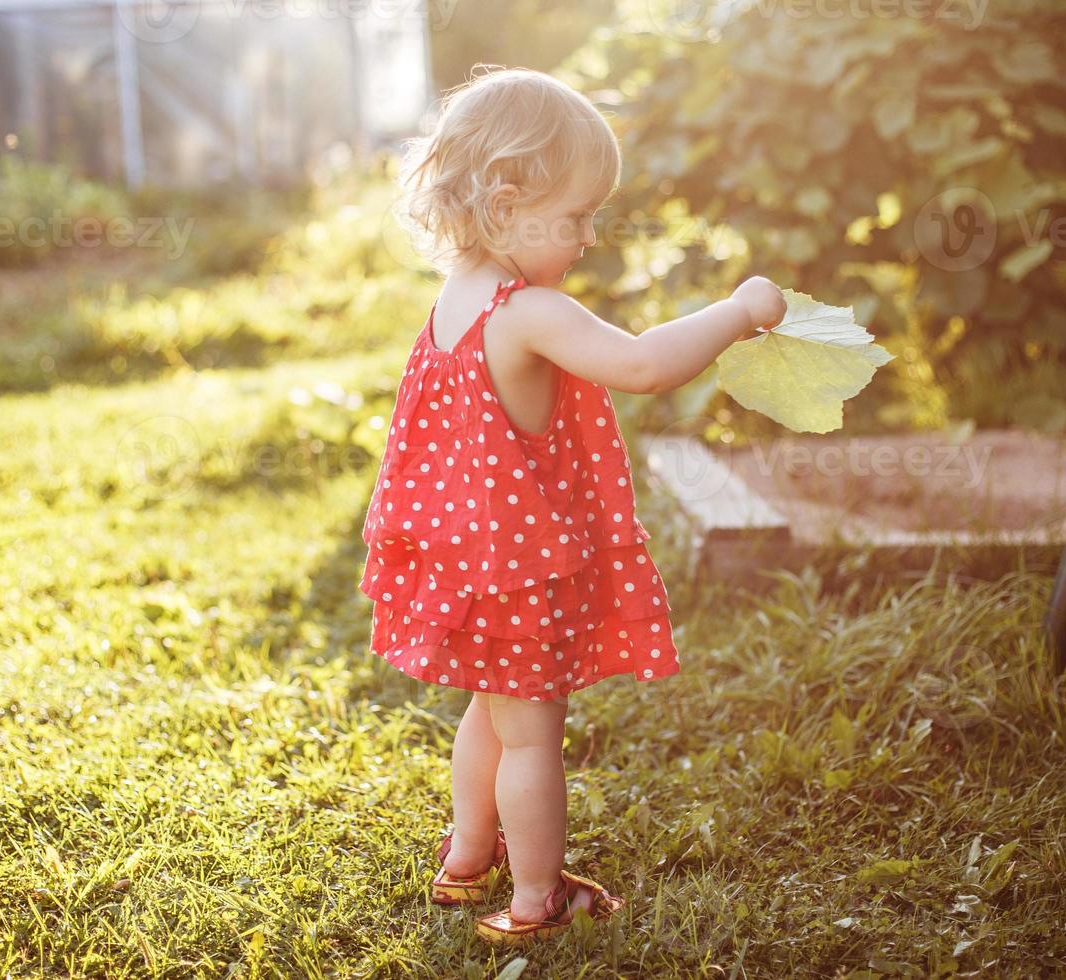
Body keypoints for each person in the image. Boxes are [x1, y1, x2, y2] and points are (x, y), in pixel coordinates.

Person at [358, 66, 787, 946]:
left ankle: (466, 860)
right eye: (581, 213)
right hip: (517, 571)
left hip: (470, 564)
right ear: (507, 203)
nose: (592, 235)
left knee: (489, 709)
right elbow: (642, 366)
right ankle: (535, 898)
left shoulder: (457, 301)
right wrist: (740, 311)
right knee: (531, 739)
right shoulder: (528, 311)